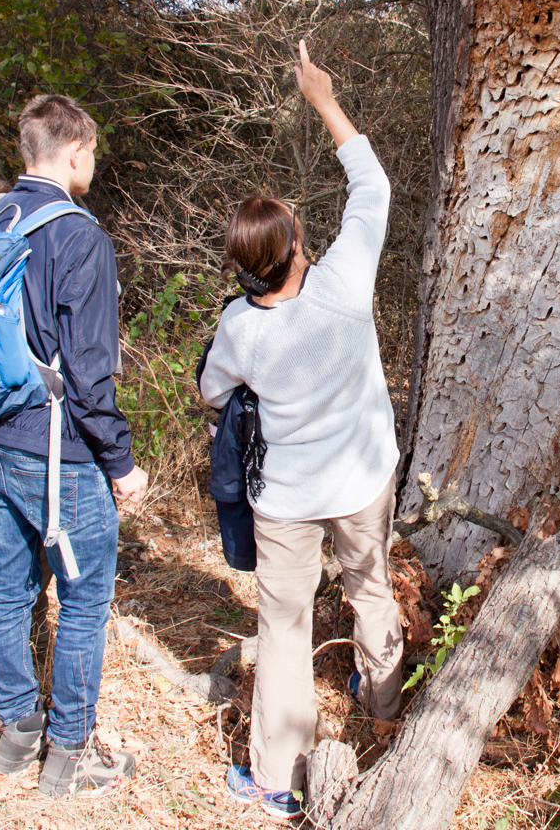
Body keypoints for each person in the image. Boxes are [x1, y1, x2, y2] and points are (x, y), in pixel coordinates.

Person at [199, 41, 403, 820]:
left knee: (282, 629)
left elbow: (213, 394)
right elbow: (372, 184)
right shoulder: (345, 283)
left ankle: (276, 779)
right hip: (361, 479)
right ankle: (384, 711)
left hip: (284, 499)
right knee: (370, 588)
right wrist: (321, 96)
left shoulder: (239, 330)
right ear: (297, 250)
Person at [0, 93, 149, 797]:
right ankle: (70, 752)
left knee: (8, 592)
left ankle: (18, 730)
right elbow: (89, 374)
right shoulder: (80, 236)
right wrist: (122, 463)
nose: (94, 164)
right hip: (60, 454)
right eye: (94, 152)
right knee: (83, 600)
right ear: (74, 150)